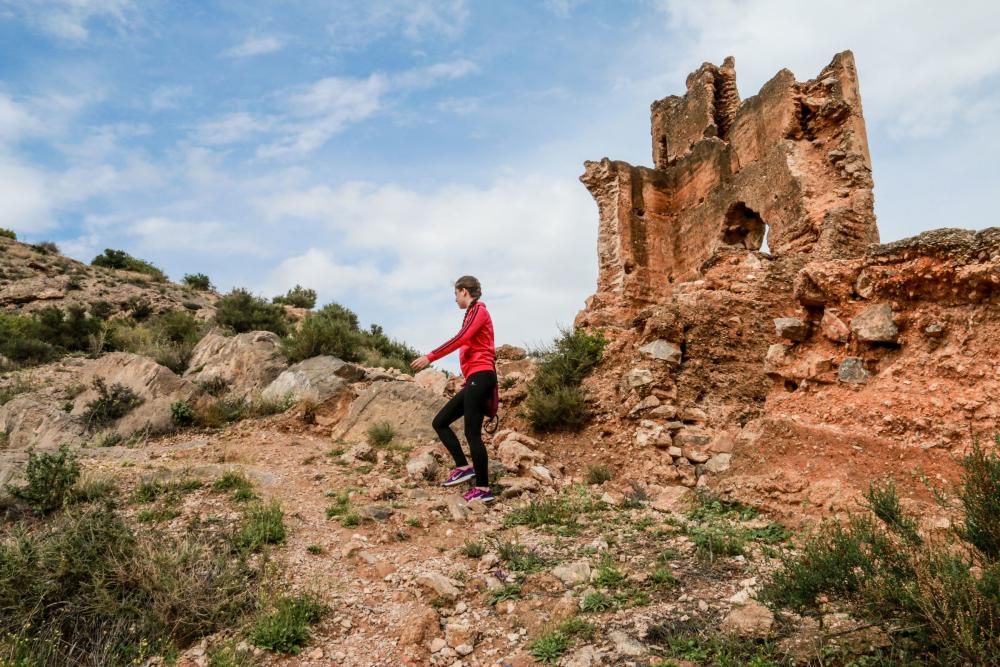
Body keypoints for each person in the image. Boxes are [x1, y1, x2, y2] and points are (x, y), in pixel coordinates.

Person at [410, 275, 497, 503]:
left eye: (455, 294)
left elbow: (462, 338)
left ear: (463, 291)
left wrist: (431, 356)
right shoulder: (470, 314)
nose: (455, 299)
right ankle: (463, 467)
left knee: (472, 433)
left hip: (482, 375)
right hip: (474, 378)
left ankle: (483, 489)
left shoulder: (479, 310)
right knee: (440, 422)